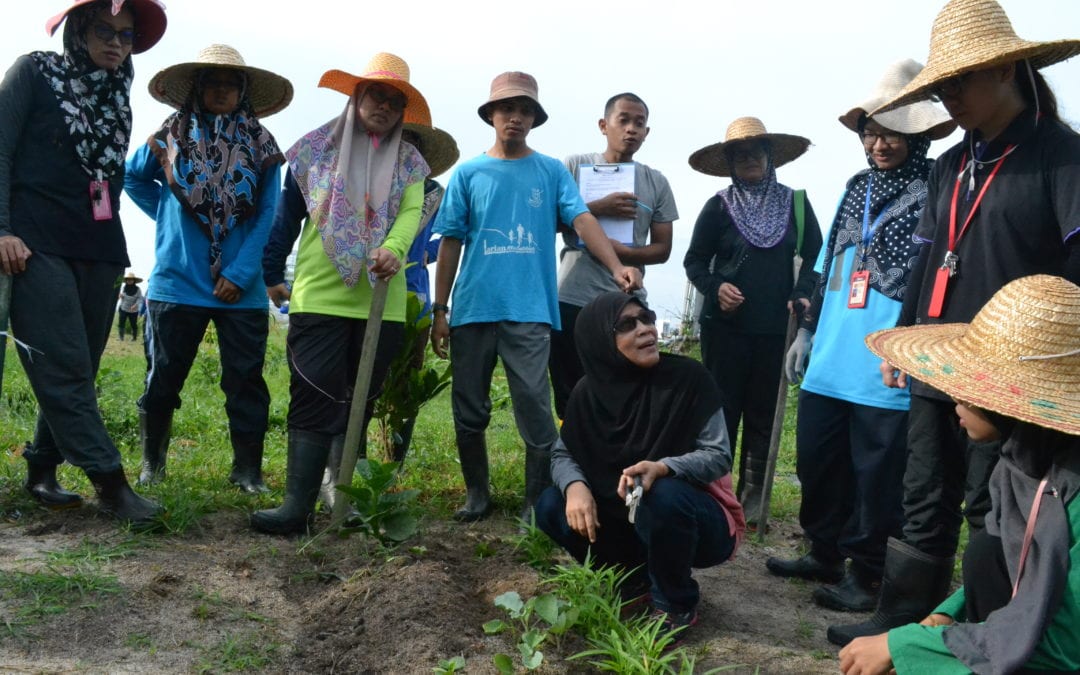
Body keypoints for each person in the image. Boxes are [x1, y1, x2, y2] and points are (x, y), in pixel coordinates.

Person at [830, 0, 1080, 646]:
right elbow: (922, 258)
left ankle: (992, 628)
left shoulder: (1061, 157)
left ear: (1005, 70)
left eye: (960, 80)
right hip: (937, 355)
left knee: (991, 500)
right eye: (941, 85)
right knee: (923, 492)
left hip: (1011, 370)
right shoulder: (950, 164)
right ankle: (905, 618)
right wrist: (905, 342)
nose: (949, 96)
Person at [766, 61, 957, 613]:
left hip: (886, 360)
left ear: (917, 135)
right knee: (819, 463)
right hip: (830, 355)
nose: (879, 143)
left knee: (878, 475)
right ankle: (823, 551)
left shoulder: (934, 190)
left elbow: (934, 275)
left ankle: (868, 573)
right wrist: (805, 331)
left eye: (892, 132)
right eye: (870, 131)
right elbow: (828, 265)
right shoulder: (855, 188)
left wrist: (916, 346)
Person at [839, 274, 1080, 675]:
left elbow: (1064, 646)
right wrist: (947, 615)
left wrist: (909, 645)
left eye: (969, 386)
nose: (955, 398)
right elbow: (1018, 575)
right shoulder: (1021, 464)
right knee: (987, 551)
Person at [430, 71, 642, 523]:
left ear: (534, 118)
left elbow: (583, 221)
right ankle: (476, 494)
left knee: (534, 405)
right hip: (472, 309)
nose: (516, 118)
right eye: (507, 108)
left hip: (529, 310)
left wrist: (616, 265)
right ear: (492, 115)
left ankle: (534, 500)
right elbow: (450, 242)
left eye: (525, 110)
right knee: (469, 407)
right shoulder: (468, 173)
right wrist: (440, 310)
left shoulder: (548, 171)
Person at [0, 0, 167, 526]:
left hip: (98, 246)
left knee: (82, 366)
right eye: (104, 30)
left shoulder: (118, 93)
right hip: (35, 243)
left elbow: (109, 184)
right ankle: (112, 485)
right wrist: (3, 229)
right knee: (66, 365)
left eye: (126, 34)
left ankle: (42, 468)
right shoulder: (34, 71)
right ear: (77, 30)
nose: (116, 42)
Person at [255, 52, 430, 535]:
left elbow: (410, 215)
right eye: (377, 94)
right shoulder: (314, 151)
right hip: (320, 297)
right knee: (313, 395)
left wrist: (394, 248)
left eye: (396, 102)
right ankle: (296, 507)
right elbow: (286, 215)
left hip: (381, 303)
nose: (384, 106)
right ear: (357, 96)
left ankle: (343, 495)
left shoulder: (411, 163)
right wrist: (272, 271)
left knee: (359, 400)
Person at [125, 44, 292, 493]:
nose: (222, 90)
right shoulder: (168, 137)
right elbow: (132, 177)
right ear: (197, 89)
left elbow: (268, 214)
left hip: (243, 288)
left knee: (245, 382)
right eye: (213, 82)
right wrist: (166, 219)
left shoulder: (262, 145)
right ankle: (152, 466)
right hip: (177, 283)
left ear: (243, 92)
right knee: (162, 376)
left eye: (231, 84)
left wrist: (239, 273)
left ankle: (247, 471)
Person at [535, 291, 744, 637]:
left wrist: (664, 467)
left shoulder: (688, 379)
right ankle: (633, 582)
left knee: (661, 495)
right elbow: (562, 452)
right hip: (625, 520)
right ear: (599, 339)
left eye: (646, 319)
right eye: (627, 325)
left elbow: (718, 454)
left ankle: (674, 604)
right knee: (550, 505)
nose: (645, 329)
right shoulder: (587, 394)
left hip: (698, 523)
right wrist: (575, 487)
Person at [683, 117, 822, 527]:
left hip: (774, 332)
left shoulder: (796, 203)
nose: (749, 160)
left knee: (763, 415)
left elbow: (815, 256)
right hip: (725, 331)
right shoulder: (719, 205)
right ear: (729, 162)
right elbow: (694, 261)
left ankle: (754, 502)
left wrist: (802, 293)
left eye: (756, 152)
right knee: (722, 412)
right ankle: (716, 497)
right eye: (739, 154)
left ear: (770, 156)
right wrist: (716, 287)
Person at [318, 119, 458, 510]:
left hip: (411, 296)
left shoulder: (433, 193)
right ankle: (349, 468)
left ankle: (391, 469)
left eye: (412, 142)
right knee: (350, 383)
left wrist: (419, 254)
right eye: (400, 139)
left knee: (401, 385)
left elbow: (442, 241)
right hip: (356, 293)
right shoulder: (362, 180)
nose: (404, 147)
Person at [549, 92, 678, 420]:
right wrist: (596, 208)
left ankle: (621, 463)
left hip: (626, 299)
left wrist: (617, 252)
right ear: (604, 125)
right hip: (572, 296)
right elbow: (547, 221)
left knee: (627, 388)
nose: (631, 129)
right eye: (624, 120)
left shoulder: (656, 181)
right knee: (571, 390)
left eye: (639, 123)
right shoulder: (574, 166)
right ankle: (573, 463)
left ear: (647, 132)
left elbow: (662, 250)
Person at [117, 271, 144, 341]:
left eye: (131, 279)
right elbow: (122, 296)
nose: (129, 281)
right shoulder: (124, 288)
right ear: (126, 280)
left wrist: (136, 305)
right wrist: (121, 296)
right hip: (123, 308)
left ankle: (134, 338)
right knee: (121, 323)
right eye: (128, 279)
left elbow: (140, 298)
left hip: (133, 310)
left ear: (134, 280)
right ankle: (121, 337)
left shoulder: (138, 289)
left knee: (133, 324)